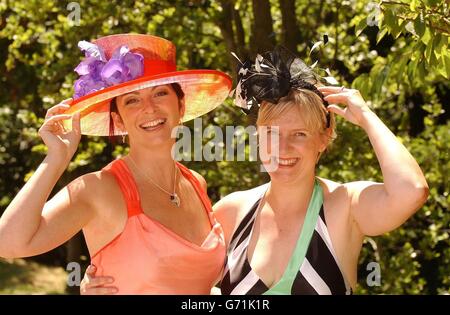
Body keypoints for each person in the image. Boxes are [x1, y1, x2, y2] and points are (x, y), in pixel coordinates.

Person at [80, 46, 429, 295]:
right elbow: (181, 283)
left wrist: (366, 117)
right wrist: (108, 282)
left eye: (300, 135)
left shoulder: (345, 206)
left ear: (324, 139)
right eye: (271, 134)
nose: (283, 148)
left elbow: (411, 191)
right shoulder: (231, 211)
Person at [0, 33, 232, 294]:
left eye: (160, 93)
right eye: (132, 100)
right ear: (118, 120)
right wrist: (57, 158)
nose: (149, 108)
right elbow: (8, 243)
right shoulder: (98, 189)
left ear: (180, 105)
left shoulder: (195, 183)